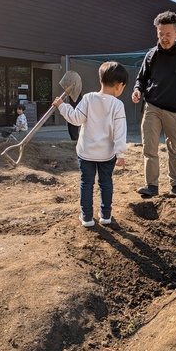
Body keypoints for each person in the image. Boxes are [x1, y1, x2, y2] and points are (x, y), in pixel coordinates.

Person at [131, 10, 176, 196]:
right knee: (149, 147)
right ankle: (151, 186)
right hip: (152, 106)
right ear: (157, 32)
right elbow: (141, 79)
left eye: (168, 34)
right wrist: (137, 90)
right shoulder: (151, 55)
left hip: (175, 110)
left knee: (174, 149)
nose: (164, 38)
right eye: (161, 34)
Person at [53, 61, 128, 227]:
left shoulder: (88, 98)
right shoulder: (118, 105)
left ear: (100, 80)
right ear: (119, 85)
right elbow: (120, 132)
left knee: (86, 184)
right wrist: (120, 154)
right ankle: (106, 215)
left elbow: (75, 119)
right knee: (106, 183)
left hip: (86, 153)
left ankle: (87, 216)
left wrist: (62, 106)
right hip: (107, 154)